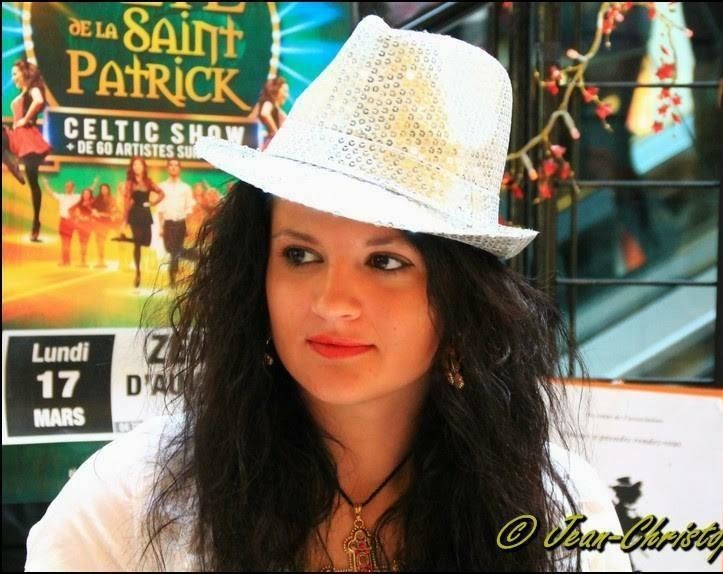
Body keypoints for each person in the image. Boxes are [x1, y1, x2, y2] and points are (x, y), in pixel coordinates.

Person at [25, 17, 630, 572]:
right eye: (300, 255)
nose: (332, 302)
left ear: (462, 299)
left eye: (386, 262)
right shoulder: (128, 506)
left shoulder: (558, 511)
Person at [3, 59, 52, 242]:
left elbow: (39, 101)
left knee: (33, 182)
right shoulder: (22, 93)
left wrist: (25, 119)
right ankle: (12, 165)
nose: (13, 77)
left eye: (15, 73)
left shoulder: (33, 89)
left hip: (29, 139)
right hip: (17, 137)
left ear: (25, 73)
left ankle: (36, 222)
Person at [122, 156, 165, 288]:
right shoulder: (129, 183)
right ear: (132, 167)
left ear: (143, 167)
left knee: (146, 241)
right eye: (134, 165)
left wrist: (153, 202)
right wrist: (124, 221)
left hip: (145, 213)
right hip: (134, 213)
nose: (137, 167)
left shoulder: (148, 182)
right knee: (138, 243)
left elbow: (162, 193)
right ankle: (138, 272)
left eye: (139, 165)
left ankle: (132, 240)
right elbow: (126, 203)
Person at [157, 158, 195, 287]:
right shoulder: (162, 186)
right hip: (167, 224)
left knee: (174, 250)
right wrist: (160, 226)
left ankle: (172, 278)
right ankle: (194, 255)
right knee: (170, 249)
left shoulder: (186, 188)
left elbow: (189, 208)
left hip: (180, 223)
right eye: (171, 165)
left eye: (176, 165)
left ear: (180, 169)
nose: (173, 167)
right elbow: (160, 208)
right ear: (167, 168)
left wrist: (188, 226)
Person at [91, 182, 120, 268]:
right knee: (99, 242)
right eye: (102, 189)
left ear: (108, 190)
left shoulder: (112, 199)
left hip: (109, 223)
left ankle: (120, 260)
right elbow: (92, 209)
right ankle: (101, 261)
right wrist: (95, 212)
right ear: (100, 190)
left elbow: (115, 210)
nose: (104, 190)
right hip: (98, 223)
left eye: (105, 189)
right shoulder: (96, 199)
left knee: (109, 241)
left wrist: (112, 214)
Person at [257, 75, 289, 150]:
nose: (286, 95)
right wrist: (276, 132)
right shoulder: (269, 103)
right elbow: (264, 113)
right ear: (276, 89)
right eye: (285, 91)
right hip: (272, 144)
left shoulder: (276, 107)